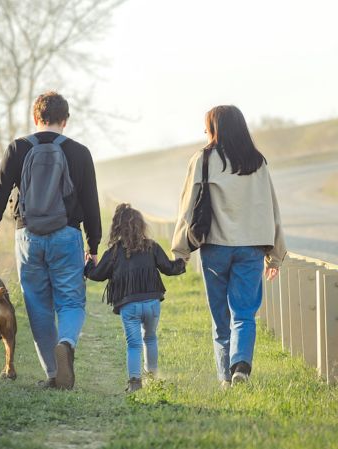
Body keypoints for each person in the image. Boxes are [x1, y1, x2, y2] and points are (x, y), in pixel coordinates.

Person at [0, 91, 101, 389]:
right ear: (65, 121)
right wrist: (93, 246)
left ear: (36, 118)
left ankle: (54, 375)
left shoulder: (18, 148)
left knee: (38, 306)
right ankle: (67, 343)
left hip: (27, 236)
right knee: (71, 301)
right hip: (67, 234)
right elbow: (91, 201)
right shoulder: (79, 152)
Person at [172, 105, 286, 388]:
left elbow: (187, 205)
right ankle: (241, 366)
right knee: (244, 312)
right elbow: (272, 208)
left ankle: (226, 378)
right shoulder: (257, 161)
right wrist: (276, 255)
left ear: (215, 128)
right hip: (251, 248)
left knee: (220, 315)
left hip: (216, 246)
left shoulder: (204, 158)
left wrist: (180, 250)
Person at [85, 203, 185, 393]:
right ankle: (153, 377)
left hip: (129, 306)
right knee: (150, 338)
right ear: (141, 225)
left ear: (116, 228)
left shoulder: (113, 252)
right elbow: (169, 268)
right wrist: (182, 262)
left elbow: (97, 274)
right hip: (152, 303)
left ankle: (134, 382)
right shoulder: (152, 247)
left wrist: (88, 264)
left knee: (133, 344)